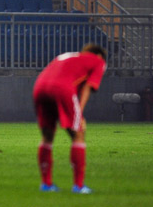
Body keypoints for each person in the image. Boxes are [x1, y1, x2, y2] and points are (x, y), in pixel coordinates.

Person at [33, 44, 107, 194]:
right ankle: (79, 186)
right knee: (78, 134)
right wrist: (79, 113)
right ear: (98, 55)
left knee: (47, 135)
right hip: (62, 88)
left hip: (40, 86)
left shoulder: (66, 55)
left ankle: (46, 184)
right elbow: (88, 87)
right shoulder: (99, 61)